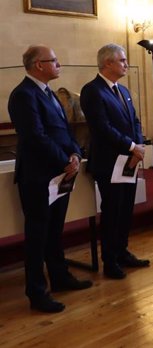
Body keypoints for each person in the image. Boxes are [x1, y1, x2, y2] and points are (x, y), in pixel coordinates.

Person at [8, 45, 91, 313]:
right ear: (38, 65)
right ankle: (36, 291)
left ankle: (59, 276)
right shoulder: (23, 94)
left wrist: (75, 153)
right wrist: (64, 160)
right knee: (37, 235)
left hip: (59, 174)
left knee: (55, 231)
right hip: (38, 176)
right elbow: (35, 136)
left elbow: (64, 131)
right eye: (53, 61)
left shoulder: (51, 94)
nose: (58, 64)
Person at [80, 44, 149, 279]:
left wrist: (137, 146)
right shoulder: (93, 90)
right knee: (112, 211)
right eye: (122, 60)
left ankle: (122, 251)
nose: (126, 64)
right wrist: (131, 147)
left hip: (129, 160)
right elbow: (101, 127)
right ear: (107, 63)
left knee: (126, 209)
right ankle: (109, 260)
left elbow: (135, 122)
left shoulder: (123, 90)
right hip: (109, 162)